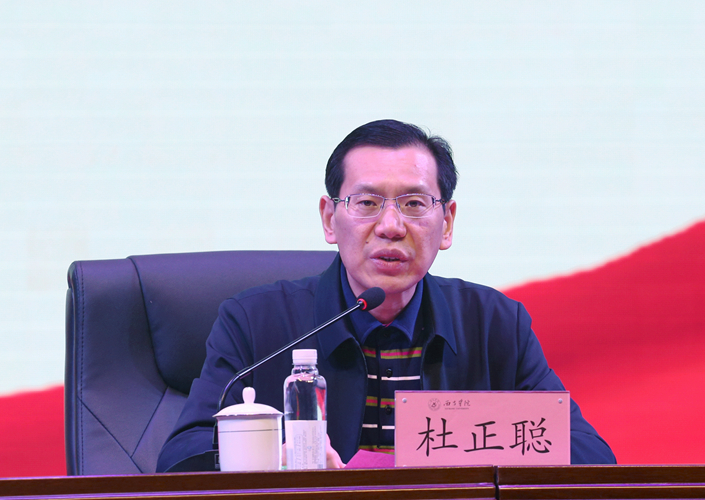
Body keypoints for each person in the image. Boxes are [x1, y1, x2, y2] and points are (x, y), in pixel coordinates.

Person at [156, 119, 616, 472]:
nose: (391, 226)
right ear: (329, 219)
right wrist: (271, 462)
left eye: (414, 204)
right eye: (367, 203)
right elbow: (182, 456)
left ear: (447, 223)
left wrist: (473, 450)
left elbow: (590, 456)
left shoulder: (495, 323)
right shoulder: (256, 322)